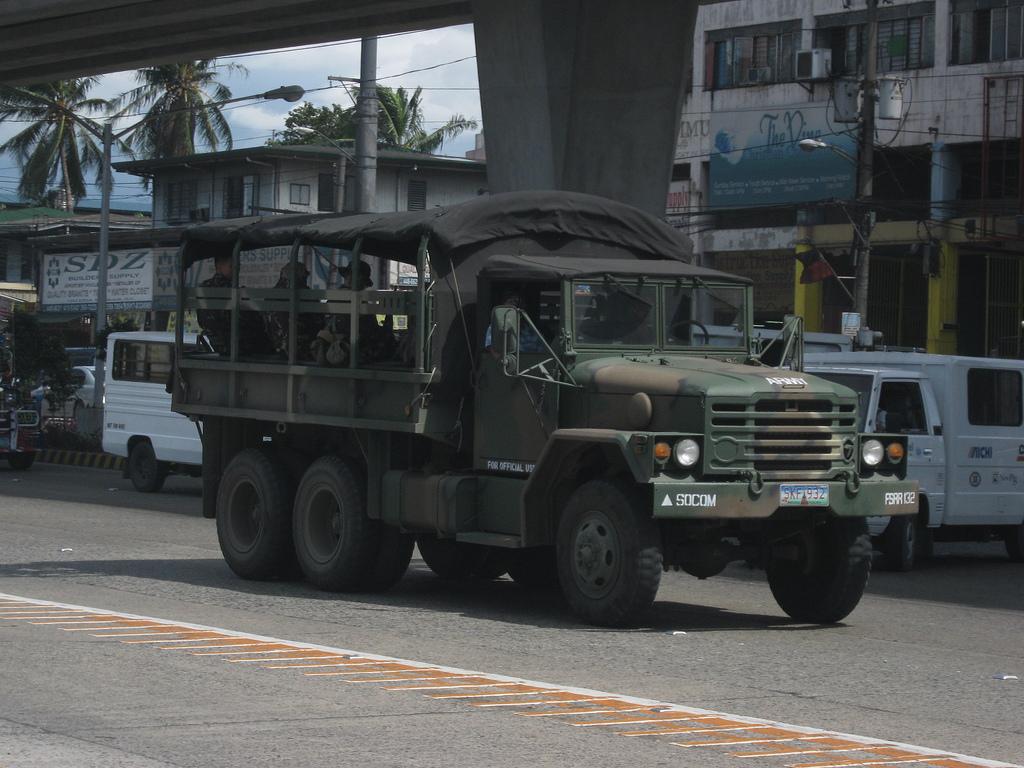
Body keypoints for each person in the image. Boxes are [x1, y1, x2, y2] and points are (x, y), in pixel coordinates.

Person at [197, 252, 270, 356]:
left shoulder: (202, 288)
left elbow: (202, 321)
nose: (237, 269)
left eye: (238, 266)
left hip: (217, 344)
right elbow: (255, 319)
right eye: (233, 266)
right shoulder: (234, 291)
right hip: (241, 345)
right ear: (218, 266)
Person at [265, 262, 322, 359]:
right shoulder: (304, 295)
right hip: (300, 351)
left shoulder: (271, 295)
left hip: (275, 349)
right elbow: (318, 322)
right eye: (304, 277)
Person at [484, 290, 545, 358]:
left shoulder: (532, 331)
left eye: (517, 302)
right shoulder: (495, 327)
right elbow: (493, 350)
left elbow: (542, 353)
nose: (514, 305)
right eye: (510, 301)